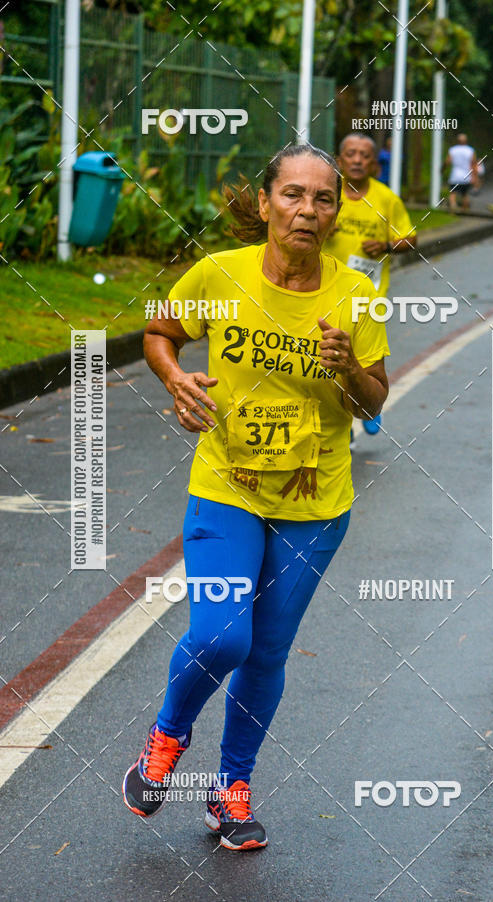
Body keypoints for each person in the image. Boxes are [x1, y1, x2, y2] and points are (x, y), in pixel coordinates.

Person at [122, 144, 390, 850]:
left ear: (338, 212)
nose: (308, 210)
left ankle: (230, 793)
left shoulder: (357, 295)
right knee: (221, 637)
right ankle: (166, 737)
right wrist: (175, 379)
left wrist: (347, 370)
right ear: (268, 201)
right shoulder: (219, 274)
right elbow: (158, 333)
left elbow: (373, 402)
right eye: (294, 195)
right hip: (227, 487)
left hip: (315, 504)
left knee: (267, 654)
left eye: (324, 199)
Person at [323, 132, 415, 436]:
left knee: (363, 356)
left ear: (375, 164)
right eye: (351, 154)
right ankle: (344, 418)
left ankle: (370, 402)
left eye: (365, 155)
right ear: (339, 161)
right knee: (328, 354)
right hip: (325, 289)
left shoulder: (385, 198)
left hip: (368, 295)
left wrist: (387, 245)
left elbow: (411, 238)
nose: (358, 160)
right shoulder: (327, 195)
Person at [445, 133, 478, 211]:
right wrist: (475, 177)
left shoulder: (453, 150)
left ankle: (453, 208)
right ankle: (465, 211)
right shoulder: (470, 150)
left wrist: (442, 170)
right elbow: (473, 164)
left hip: (455, 176)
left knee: (453, 193)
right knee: (465, 195)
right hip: (466, 176)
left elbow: (447, 162)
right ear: (466, 141)